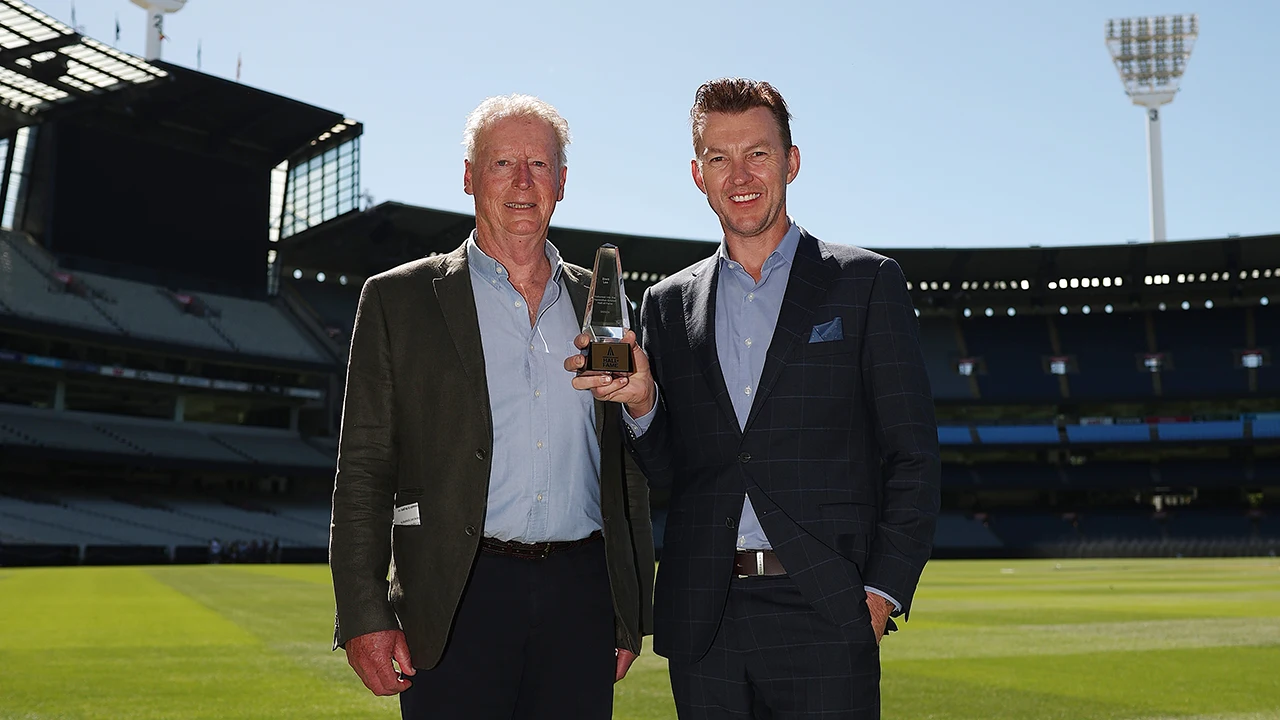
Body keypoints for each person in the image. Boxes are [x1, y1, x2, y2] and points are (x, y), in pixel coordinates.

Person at [567, 78, 940, 719]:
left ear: (791, 161)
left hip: (826, 608)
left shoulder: (866, 283)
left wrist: (882, 590)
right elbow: (670, 471)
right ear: (697, 173)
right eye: (719, 157)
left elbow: (913, 454)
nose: (739, 174)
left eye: (758, 154)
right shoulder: (666, 303)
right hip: (704, 617)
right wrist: (642, 402)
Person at [331, 93, 654, 720]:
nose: (523, 182)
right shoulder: (398, 300)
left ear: (562, 182)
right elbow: (364, 467)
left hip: (581, 594)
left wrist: (627, 607)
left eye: (539, 165)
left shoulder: (604, 303)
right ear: (469, 176)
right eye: (503, 163)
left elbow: (627, 468)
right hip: (456, 595)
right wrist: (364, 615)